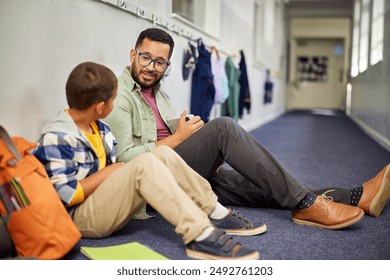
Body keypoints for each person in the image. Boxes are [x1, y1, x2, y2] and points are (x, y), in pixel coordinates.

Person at [104, 27, 390, 230]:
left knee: (267, 186)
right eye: (145, 58)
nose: (151, 67)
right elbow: (125, 163)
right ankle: (306, 203)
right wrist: (181, 138)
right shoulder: (120, 96)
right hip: (152, 191)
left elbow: (165, 135)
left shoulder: (157, 91)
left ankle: (355, 197)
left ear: (167, 64)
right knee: (224, 128)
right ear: (133, 54)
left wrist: (190, 136)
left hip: (184, 172)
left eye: (160, 62)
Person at [32, 61, 267, 260]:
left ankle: (214, 211)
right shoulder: (57, 136)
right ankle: (200, 236)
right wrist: (111, 172)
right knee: (144, 164)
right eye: (113, 100)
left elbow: (116, 174)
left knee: (163, 154)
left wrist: (116, 172)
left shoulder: (100, 128)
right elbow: (66, 195)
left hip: (105, 203)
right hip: (80, 219)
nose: (114, 104)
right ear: (101, 107)